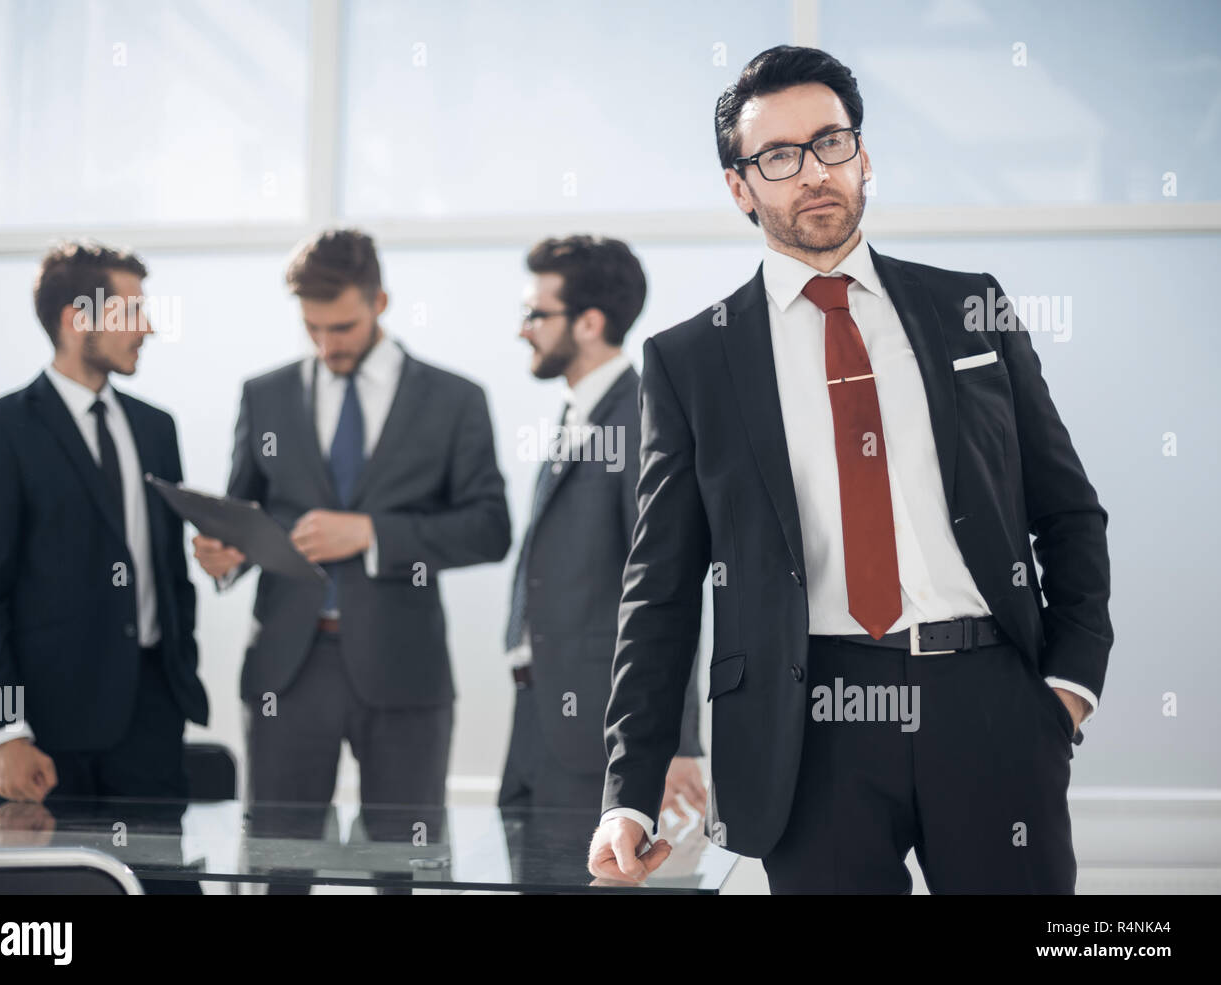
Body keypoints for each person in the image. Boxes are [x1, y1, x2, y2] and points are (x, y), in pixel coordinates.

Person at [588, 45, 1112, 894]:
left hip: (991, 702)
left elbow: (1067, 508)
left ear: (862, 155)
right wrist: (630, 795)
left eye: (831, 143)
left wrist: (1069, 681)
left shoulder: (970, 307)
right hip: (806, 730)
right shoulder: (691, 360)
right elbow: (661, 589)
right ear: (740, 188)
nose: (814, 172)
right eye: (779, 156)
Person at [193, 230, 510, 872]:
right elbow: (244, 516)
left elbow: (489, 528)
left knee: (404, 866)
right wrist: (225, 556)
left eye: (341, 327)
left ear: (380, 302)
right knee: (276, 866)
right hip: (287, 668)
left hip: (405, 668)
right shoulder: (264, 395)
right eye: (312, 328)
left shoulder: (455, 399)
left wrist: (373, 534)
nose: (326, 345)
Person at [0, 241, 208, 891]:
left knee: (166, 889)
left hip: (152, 720)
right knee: (55, 911)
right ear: (76, 318)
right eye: (132, 312)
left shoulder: (157, 428)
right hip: (48, 737)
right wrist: (6, 732)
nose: (148, 327)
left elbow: (165, 571)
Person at [500, 235, 705, 816]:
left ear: (589, 323)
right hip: (538, 717)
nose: (522, 330)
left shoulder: (642, 417)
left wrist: (676, 741)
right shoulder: (578, 412)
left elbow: (669, 582)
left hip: (603, 732)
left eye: (535, 315)